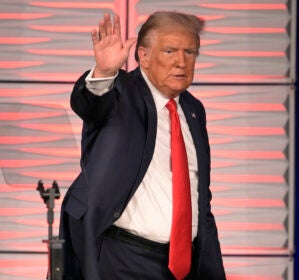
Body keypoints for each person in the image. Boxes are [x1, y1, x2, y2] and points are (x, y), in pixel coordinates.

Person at [60, 11, 226, 280]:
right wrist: (104, 72)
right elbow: (90, 104)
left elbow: (199, 196)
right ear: (144, 56)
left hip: (183, 265)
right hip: (123, 259)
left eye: (190, 52)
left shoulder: (194, 110)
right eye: (170, 51)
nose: (181, 62)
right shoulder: (121, 92)